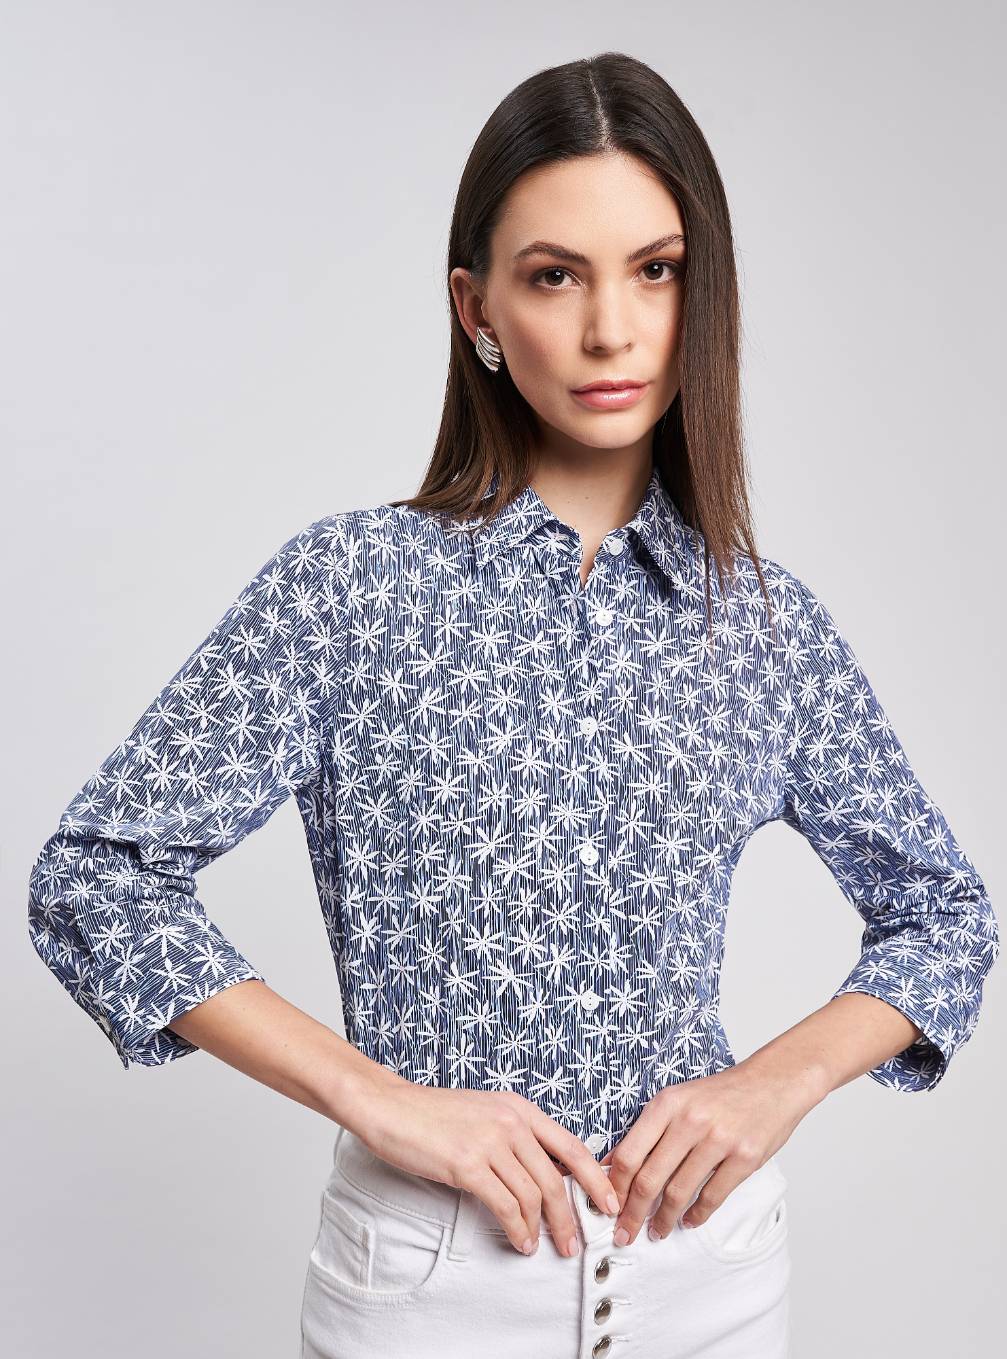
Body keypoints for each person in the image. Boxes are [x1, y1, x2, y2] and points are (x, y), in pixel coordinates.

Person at [28, 51, 999, 1359]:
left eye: (655, 270)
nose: (612, 329)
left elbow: (945, 917)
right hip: (429, 1291)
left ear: (701, 292)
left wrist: (775, 1085)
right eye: (555, 276)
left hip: (710, 1287)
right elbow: (96, 878)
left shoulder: (760, 627)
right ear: (475, 306)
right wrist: (380, 1101)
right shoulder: (354, 588)